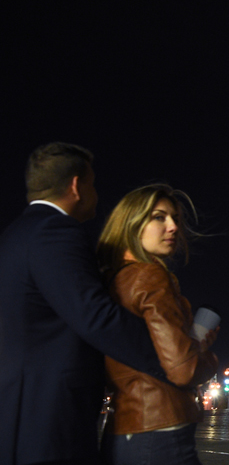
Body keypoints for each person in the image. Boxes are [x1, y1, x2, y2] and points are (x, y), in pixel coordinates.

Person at [0, 143, 165, 465]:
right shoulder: (54, 232)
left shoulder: (15, 235)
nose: (95, 193)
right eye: (92, 183)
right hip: (48, 421)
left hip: (23, 412)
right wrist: (170, 354)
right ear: (76, 186)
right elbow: (96, 317)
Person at [97, 184, 219, 465]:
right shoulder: (150, 276)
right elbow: (182, 369)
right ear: (132, 223)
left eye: (175, 218)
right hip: (160, 429)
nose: (173, 226)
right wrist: (209, 359)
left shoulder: (117, 277)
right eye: (159, 217)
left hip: (126, 426)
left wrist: (191, 343)